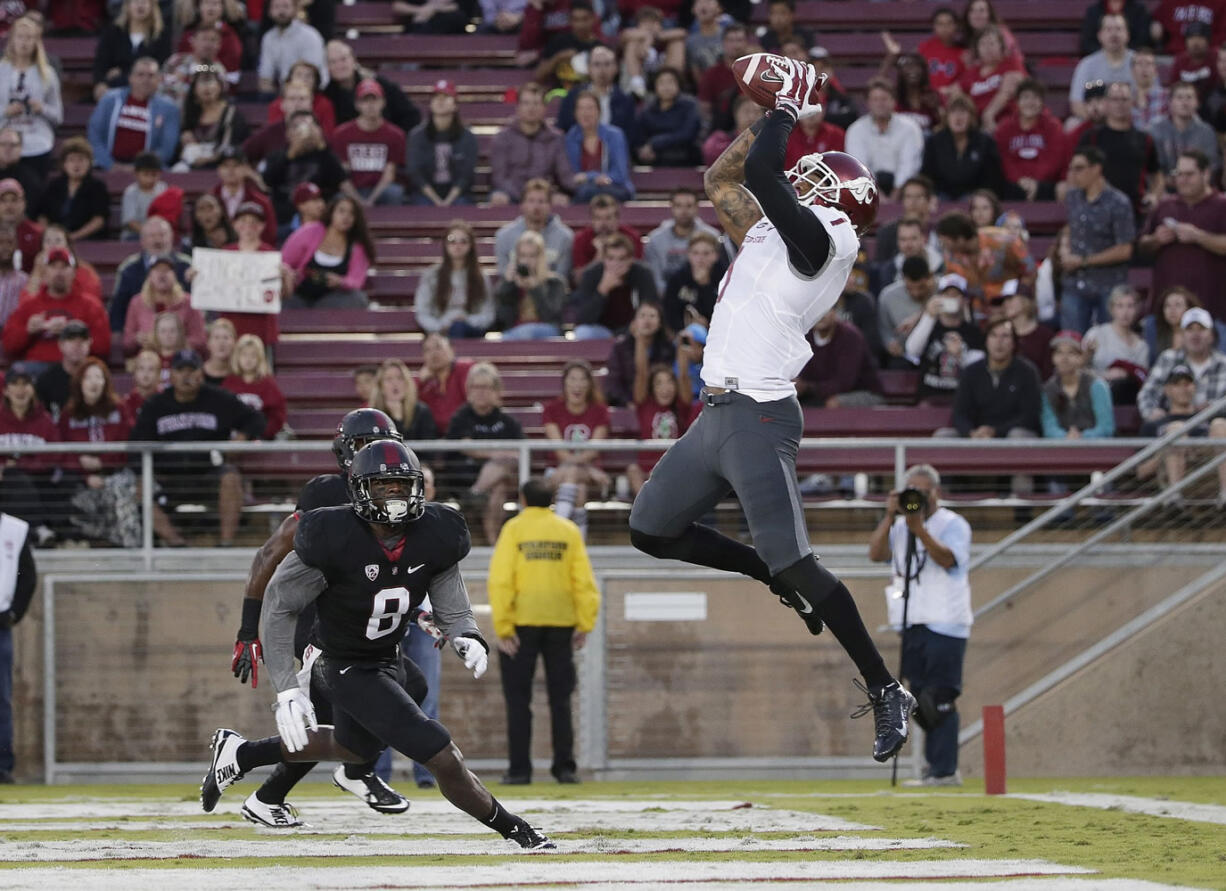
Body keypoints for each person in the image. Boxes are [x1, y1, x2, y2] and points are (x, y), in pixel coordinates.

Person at [628, 58, 917, 763]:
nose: (805, 183)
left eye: (820, 182)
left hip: (760, 414)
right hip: (715, 414)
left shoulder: (827, 242)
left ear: (843, 204)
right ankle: (768, 573)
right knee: (649, 527)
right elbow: (723, 181)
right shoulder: (773, 233)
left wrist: (788, 109)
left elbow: (761, 177)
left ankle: (886, 687)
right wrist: (772, 114)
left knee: (799, 559)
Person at [201, 440, 554, 849]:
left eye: (402, 486)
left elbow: (449, 595)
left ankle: (240, 754)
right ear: (359, 490)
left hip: (388, 655)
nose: (396, 496)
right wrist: (286, 687)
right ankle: (514, 829)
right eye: (384, 486)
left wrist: (466, 631)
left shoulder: (436, 533)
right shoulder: (330, 535)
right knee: (439, 752)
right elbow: (280, 609)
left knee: (351, 746)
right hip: (343, 663)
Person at [226, 408, 412, 826]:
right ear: (346, 454)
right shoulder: (326, 496)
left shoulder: (401, 496)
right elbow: (269, 555)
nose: (378, 458)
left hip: (360, 624)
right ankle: (348, 771)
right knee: (348, 713)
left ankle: (259, 777)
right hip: (317, 623)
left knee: (398, 692)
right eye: (365, 447)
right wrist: (246, 630)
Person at [488, 477, 599, 785]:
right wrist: (584, 623)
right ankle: (565, 768)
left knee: (518, 701)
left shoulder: (513, 530)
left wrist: (504, 627)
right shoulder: (568, 531)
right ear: (552, 500)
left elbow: (500, 580)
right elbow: (584, 583)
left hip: (520, 626)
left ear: (522, 500)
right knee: (560, 700)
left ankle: (519, 771)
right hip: (562, 624)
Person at [866, 464, 971, 787]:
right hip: (911, 622)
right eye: (911, 491)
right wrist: (890, 517)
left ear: (936, 493)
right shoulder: (899, 527)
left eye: (922, 492)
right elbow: (876, 554)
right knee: (917, 698)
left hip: (945, 622)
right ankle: (935, 767)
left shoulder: (953, 524)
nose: (917, 498)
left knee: (939, 698)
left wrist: (920, 529)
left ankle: (944, 771)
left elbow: (949, 559)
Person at [131, 348, 264, 546]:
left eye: (192, 370)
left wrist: (242, 437)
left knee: (230, 477)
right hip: (168, 476)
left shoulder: (218, 399)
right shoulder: (155, 405)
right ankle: (177, 543)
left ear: (201, 373)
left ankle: (225, 544)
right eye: (180, 370)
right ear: (172, 375)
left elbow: (256, 419)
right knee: (141, 487)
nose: (186, 375)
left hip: (208, 472)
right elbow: (136, 443)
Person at [57, 357, 140, 547]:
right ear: (80, 383)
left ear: (106, 382)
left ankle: (132, 549)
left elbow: (127, 444)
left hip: (117, 475)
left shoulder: (119, 409)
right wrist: (85, 474)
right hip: (82, 481)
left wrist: (103, 463)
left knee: (119, 490)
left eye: (98, 377)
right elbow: (61, 450)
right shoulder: (68, 414)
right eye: (88, 378)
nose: (94, 382)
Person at [1137, 149, 1226, 321]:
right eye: (1178, 174)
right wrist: (1156, 240)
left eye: (1189, 174)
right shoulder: (1164, 205)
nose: (1182, 180)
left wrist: (1199, 237)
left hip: (1213, 307)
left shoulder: (1222, 205)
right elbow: (1141, 246)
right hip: (1166, 313)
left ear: (1206, 174)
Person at [445, 362, 523, 545]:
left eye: (486, 387)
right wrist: (498, 453)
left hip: (498, 479)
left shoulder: (507, 421)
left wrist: (491, 454)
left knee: (500, 478)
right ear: (469, 390)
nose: (480, 392)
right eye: (476, 386)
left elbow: (520, 453)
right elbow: (466, 447)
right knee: (499, 478)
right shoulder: (461, 417)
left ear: (496, 391)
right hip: (463, 478)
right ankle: (494, 542)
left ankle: (476, 494)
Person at [940, 318, 1042, 453]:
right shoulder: (971, 371)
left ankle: (1020, 475)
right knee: (943, 436)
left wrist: (995, 432)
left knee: (1018, 435)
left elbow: (1030, 416)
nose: (999, 342)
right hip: (977, 435)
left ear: (1013, 343)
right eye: (993, 335)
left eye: (1005, 336)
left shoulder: (1027, 372)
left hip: (1010, 435)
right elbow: (959, 413)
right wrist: (971, 433)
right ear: (986, 341)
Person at [2, 247, 110, 366]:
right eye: (53, 267)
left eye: (64, 267)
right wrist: (28, 330)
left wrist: (75, 331)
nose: (59, 272)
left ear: (74, 272)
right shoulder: (29, 305)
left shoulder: (91, 305)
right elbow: (9, 345)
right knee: (19, 369)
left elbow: (103, 347)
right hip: (37, 369)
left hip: (76, 369)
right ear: (44, 273)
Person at [542, 359, 610, 536]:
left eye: (582, 379)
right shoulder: (551, 409)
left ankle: (557, 530)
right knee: (578, 488)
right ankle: (578, 541)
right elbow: (560, 452)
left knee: (571, 473)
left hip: (590, 473)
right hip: (557, 472)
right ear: (564, 383)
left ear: (589, 384)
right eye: (572, 379)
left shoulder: (600, 411)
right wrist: (584, 466)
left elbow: (593, 450)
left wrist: (584, 467)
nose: (577, 385)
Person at [1077, 80, 1163, 215]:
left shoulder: (1145, 139)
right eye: (1115, 99)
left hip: (1135, 211)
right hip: (1098, 211)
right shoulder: (1091, 138)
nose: (1120, 104)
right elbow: (1076, 173)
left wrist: (1154, 196)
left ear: (1132, 102)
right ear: (1106, 103)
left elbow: (1156, 175)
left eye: (1124, 99)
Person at [0, 362, 61, 542]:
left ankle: (30, 532)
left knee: (16, 475)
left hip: (37, 482)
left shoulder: (45, 421)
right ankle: (37, 528)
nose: (20, 390)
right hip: (4, 485)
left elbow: (55, 456)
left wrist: (19, 465)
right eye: (15, 384)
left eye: (25, 384)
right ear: (6, 390)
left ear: (32, 389)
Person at [87, 57, 180, 171]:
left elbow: (167, 149)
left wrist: (141, 167)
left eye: (151, 75)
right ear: (131, 78)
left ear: (159, 79)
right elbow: (94, 136)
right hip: (107, 166)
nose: (146, 80)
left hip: (149, 170)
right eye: (140, 75)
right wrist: (110, 165)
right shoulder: (109, 100)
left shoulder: (169, 108)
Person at [281, 195, 374, 309]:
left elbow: (356, 280)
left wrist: (340, 282)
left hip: (333, 300)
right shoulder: (309, 231)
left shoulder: (358, 247)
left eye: (352, 213)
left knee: (357, 298)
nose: (346, 217)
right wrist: (290, 274)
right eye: (341, 211)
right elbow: (284, 261)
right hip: (299, 294)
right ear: (331, 213)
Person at [905, 273, 985, 403]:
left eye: (955, 295)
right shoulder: (928, 326)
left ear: (965, 300)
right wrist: (928, 316)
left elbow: (980, 369)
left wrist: (961, 355)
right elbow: (912, 350)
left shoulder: (974, 333)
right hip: (929, 396)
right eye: (946, 295)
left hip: (961, 398)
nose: (950, 299)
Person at [488, 83, 573, 206]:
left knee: (561, 201)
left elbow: (564, 175)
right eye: (526, 103)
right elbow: (499, 178)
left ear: (544, 108)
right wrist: (526, 197)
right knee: (498, 198)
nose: (531, 108)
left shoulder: (556, 138)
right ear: (518, 107)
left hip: (544, 196)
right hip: (511, 194)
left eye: (536, 103)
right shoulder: (502, 138)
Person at [1138, 306, 1226, 424]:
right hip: (1174, 426)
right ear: (1182, 335)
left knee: (1219, 425)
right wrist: (1151, 412)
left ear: (1211, 335)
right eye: (1190, 329)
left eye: (1201, 329)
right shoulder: (1168, 358)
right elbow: (1147, 393)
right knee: (1175, 427)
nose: (1195, 335)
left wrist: (1213, 408)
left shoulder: (1223, 363)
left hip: (1212, 427)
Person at [328, 78, 407, 207]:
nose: (370, 105)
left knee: (395, 193)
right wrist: (358, 200)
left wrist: (371, 200)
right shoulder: (341, 134)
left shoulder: (396, 135)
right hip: (354, 189)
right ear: (357, 104)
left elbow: (389, 174)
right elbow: (342, 176)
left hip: (381, 189)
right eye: (365, 100)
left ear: (383, 103)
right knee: (339, 198)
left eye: (374, 100)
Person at [262, 112, 348, 229]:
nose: (303, 131)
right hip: (284, 216)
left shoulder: (325, 155)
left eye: (309, 126)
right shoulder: (277, 155)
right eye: (296, 126)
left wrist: (321, 147)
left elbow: (339, 179)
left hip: (319, 216)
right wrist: (291, 154)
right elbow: (267, 181)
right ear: (288, 133)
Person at [0, 14, 62, 177]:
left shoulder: (47, 74)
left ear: (37, 42)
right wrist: (5, 111)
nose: (24, 42)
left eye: (29, 37)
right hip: (4, 145)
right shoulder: (1, 71)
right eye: (20, 37)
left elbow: (58, 116)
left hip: (37, 144)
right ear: (12, 40)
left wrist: (42, 109)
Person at [109, 216, 191, 333]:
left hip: (182, 335)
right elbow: (118, 310)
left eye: (162, 235)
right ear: (142, 240)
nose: (157, 241)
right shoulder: (128, 268)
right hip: (141, 338)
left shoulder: (187, 265)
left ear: (172, 237)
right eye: (152, 236)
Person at [0, 507, 35, 784]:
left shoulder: (15, 528)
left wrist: (14, 614)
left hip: (0, 624)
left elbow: (28, 576)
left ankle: (3, 765)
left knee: (1, 698)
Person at [844, 79, 923, 198]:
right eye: (875, 99)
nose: (880, 104)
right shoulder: (856, 129)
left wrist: (896, 193)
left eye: (884, 99)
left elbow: (909, 164)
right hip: (868, 190)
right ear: (868, 103)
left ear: (893, 101)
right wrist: (877, 195)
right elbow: (859, 166)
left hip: (904, 190)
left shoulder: (910, 127)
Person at [323, 40, 421, 136]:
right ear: (326, 66)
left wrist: (395, 140)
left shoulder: (380, 84)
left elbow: (411, 116)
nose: (339, 65)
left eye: (343, 59)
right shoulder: (325, 95)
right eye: (333, 62)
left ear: (354, 59)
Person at [569, 233, 658, 340]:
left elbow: (650, 310)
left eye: (621, 259)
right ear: (604, 259)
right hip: (602, 330)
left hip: (633, 329)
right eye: (610, 258)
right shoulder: (591, 274)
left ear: (631, 259)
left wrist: (624, 332)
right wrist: (602, 290)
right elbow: (582, 318)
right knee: (583, 332)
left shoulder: (643, 274)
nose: (616, 264)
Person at [414, 221, 494, 338]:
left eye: (463, 241)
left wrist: (467, 320)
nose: (458, 245)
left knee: (458, 328)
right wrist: (441, 326)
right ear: (445, 245)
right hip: (439, 332)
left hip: (472, 331)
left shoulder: (481, 277)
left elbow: (488, 314)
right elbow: (422, 312)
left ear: (471, 245)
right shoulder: (432, 275)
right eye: (452, 241)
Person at [405, 80, 477, 208]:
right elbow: (415, 174)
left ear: (455, 105)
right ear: (430, 104)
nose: (440, 101)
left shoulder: (467, 137)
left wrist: (448, 201)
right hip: (425, 195)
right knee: (421, 206)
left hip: (458, 195)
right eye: (436, 97)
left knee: (462, 204)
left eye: (446, 97)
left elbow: (466, 175)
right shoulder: (417, 136)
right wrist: (437, 201)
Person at [920, 94, 1005, 200]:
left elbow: (993, 178)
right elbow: (926, 175)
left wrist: (981, 196)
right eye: (953, 112)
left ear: (971, 117)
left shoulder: (985, 142)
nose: (958, 117)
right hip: (941, 197)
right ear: (947, 117)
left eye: (963, 112)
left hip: (975, 197)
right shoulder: (934, 142)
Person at [625, 362, 692, 497]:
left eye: (669, 382)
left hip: (672, 469)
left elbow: (684, 376)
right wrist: (641, 342)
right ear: (652, 388)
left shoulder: (681, 406)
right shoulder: (645, 406)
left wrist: (682, 352)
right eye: (659, 383)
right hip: (647, 470)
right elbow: (641, 373)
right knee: (633, 470)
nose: (665, 388)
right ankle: (646, 512)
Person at [796, 307, 883, 408]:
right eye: (814, 311)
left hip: (863, 392)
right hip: (818, 392)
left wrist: (807, 387)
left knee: (834, 403)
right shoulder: (805, 337)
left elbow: (844, 383)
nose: (820, 315)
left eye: (826, 310)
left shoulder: (850, 336)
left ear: (835, 313)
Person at [122, 254, 206, 358]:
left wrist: (175, 342)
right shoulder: (137, 303)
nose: (162, 274)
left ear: (174, 275)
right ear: (149, 275)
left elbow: (200, 340)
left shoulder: (188, 302)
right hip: (148, 362)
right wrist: (136, 339)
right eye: (157, 270)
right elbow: (126, 343)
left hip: (180, 360)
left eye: (167, 270)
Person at [995, 79, 1066, 202]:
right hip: (1013, 182)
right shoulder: (1004, 128)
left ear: (1042, 102)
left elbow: (1054, 160)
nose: (1030, 102)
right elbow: (1004, 160)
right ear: (1017, 102)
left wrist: (1035, 182)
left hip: (1044, 182)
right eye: (1025, 97)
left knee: (1062, 188)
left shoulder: (1053, 126)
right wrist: (1019, 180)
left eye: (1035, 98)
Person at [493, 179, 574, 282]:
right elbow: (504, 277)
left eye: (541, 201)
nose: (536, 207)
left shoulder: (565, 237)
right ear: (522, 205)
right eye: (531, 201)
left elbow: (561, 279)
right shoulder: (503, 236)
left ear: (550, 205)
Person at [1040, 331, 1116, 440]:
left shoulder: (1097, 385)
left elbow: (1106, 427)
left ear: (1081, 357)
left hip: (1097, 447)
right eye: (1059, 353)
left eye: (1071, 353)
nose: (1064, 358)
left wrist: (1082, 437)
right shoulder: (1048, 390)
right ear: (1053, 358)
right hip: (1060, 449)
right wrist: (1066, 437)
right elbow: (1049, 428)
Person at [555, 44, 638, 144]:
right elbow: (562, 128)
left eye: (607, 64)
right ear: (589, 68)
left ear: (616, 68)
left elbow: (629, 137)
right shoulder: (573, 96)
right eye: (596, 64)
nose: (602, 70)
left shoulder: (625, 101)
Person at [643, 188, 719, 293]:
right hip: (665, 297)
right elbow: (655, 279)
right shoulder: (656, 239)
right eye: (678, 206)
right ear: (672, 208)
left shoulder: (712, 236)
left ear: (697, 208)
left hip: (704, 294)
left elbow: (718, 275)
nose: (684, 211)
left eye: (689, 206)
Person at [175, 63, 249, 170]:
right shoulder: (190, 113)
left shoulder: (231, 113)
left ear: (220, 86)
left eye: (210, 81)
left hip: (222, 165)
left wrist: (209, 159)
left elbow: (230, 146)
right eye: (202, 82)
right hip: (192, 163)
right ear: (194, 89)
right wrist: (184, 139)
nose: (207, 87)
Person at [93, 0, 172, 101]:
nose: (140, 5)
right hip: (114, 88)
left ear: (152, 6)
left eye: (144, 2)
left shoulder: (161, 35)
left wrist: (122, 72)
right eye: (136, 1)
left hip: (148, 90)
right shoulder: (113, 32)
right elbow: (101, 62)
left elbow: (162, 66)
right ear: (127, 5)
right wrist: (100, 83)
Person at [34, 137, 109, 242]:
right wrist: (51, 236)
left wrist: (73, 237)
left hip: (88, 241)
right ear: (64, 164)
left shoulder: (97, 187)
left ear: (89, 162)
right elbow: (42, 215)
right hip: (55, 241)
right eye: (72, 160)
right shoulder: (53, 186)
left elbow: (99, 220)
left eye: (81, 159)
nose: (76, 164)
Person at [1084, 285, 1150, 404]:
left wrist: (1126, 374)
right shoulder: (1096, 334)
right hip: (1095, 395)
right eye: (1120, 306)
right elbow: (1080, 369)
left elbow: (1142, 378)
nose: (1125, 312)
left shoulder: (1142, 346)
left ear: (1137, 309)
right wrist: (1104, 375)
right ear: (1112, 309)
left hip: (1128, 397)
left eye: (1130, 306)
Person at [565, 91, 634, 203]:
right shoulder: (570, 138)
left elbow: (620, 174)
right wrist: (592, 179)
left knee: (585, 193)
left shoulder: (615, 135)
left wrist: (591, 177)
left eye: (590, 108)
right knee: (583, 192)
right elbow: (574, 176)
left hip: (614, 187)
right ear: (575, 113)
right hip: (583, 189)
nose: (585, 113)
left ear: (599, 111)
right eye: (581, 108)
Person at [953, 25, 1024, 133]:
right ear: (977, 49)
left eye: (992, 43)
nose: (987, 48)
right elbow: (956, 92)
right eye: (983, 44)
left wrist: (989, 114)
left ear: (1001, 46)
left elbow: (1006, 92)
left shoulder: (1011, 64)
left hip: (1006, 121)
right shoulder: (972, 72)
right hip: (976, 124)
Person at [1149, 82, 1221, 183]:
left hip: (1198, 189)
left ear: (1197, 103)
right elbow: (1154, 168)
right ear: (1170, 102)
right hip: (1164, 189)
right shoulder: (1156, 130)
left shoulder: (1207, 132)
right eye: (1179, 97)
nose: (1184, 102)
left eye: (1189, 97)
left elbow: (1211, 167)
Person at [1070, 14, 1135, 122]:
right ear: (1100, 35)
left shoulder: (1140, 62)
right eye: (1108, 29)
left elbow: (1150, 97)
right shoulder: (1087, 64)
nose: (1114, 34)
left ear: (1127, 34)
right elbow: (1076, 103)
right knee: (1072, 124)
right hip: (1096, 122)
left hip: (1132, 122)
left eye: (1118, 29)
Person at [222, 334, 287, 440]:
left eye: (253, 355)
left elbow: (277, 414)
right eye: (244, 355)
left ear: (260, 358)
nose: (248, 359)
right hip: (233, 439)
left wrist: (264, 432)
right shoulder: (229, 382)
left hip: (261, 440)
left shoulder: (268, 384)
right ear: (237, 357)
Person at [633, 67, 700, 167]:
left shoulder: (690, 105)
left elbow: (687, 134)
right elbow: (639, 137)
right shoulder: (647, 110)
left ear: (678, 84)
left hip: (685, 157)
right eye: (661, 83)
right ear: (655, 86)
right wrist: (643, 151)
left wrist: (655, 142)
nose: (666, 87)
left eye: (670, 82)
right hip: (655, 159)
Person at [258, 0, 327, 96]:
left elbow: (311, 76)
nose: (281, 11)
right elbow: (265, 75)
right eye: (276, 7)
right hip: (286, 94)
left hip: (313, 93)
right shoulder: (268, 38)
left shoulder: (310, 36)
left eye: (286, 6)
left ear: (295, 9)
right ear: (269, 11)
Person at [660, 231, 725, 334]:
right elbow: (669, 313)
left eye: (706, 253)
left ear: (716, 255)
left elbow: (725, 314)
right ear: (688, 255)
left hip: (718, 334)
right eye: (695, 253)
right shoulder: (678, 279)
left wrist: (705, 285)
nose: (700, 259)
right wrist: (688, 324)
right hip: (682, 333)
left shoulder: (725, 278)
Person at [879, 256, 935, 370]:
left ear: (929, 278)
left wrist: (919, 315)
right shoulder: (887, 297)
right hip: (902, 354)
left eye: (921, 287)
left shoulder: (940, 290)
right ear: (903, 279)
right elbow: (884, 329)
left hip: (933, 350)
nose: (916, 293)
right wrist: (890, 343)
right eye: (910, 288)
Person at [212, 147, 277, 246]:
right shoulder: (209, 200)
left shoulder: (261, 202)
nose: (230, 170)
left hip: (252, 256)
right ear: (218, 170)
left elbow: (270, 237)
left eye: (236, 165)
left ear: (246, 169)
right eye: (225, 166)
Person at [571, 194, 642, 283]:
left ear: (617, 218)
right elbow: (579, 280)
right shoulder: (581, 239)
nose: (603, 223)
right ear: (592, 220)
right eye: (598, 218)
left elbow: (639, 275)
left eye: (608, 218)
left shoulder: (631, 237)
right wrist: (599, 255)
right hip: (592, 291)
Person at [33, 319, 93, 421]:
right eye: (71, 339)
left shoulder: (98, 377)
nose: (77, 345)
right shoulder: (46, 379)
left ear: (90, 343)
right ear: (60, 344)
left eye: (82, 340)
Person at [696, 23, 748, 133]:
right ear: (723, 43)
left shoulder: (756, 72)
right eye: (731, 41)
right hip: (723, 129)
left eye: (739, 40)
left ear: (746, 43)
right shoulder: (711, 74)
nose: (736, 45)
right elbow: (705, 109)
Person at [370, 359, 439, 441]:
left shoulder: (422, 411)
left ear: (407, 383)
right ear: (381, 387)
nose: (395, 383)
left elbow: (428, 451)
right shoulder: (373, 414)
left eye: (400, 378)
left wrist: (398, 419)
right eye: (389, 379)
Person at [267, 61, 336, 138]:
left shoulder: (325, 104)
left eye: (308, 76)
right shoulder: (276, 105)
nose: (304, 79)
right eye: (299, 75)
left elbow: (328, 136)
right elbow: (272, 135)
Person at [1000, 285, 1054, 381]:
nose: (1005, 304)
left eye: (1010, 299)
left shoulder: (1046, 335)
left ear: (1025, 300)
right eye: (1004, 300)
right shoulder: (999, 334)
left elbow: (1049, 374)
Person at [176, 0, 245, 73]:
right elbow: (182, 61)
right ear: (199, 7)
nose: (211, 8)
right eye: (206, 3)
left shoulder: (229, 35)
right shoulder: (188, 34)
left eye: (215, 4)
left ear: (222, 7)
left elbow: (231, 65)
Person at [1168, 21, 1217, 108]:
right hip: (1185, 105)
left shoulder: (1215, 58)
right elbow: (1173, 88)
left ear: (1208, 40)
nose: (1195, 42)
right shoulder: (1180, 61)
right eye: (1191, 38)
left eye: (1200, 37)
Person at [121, 153, 167, 240]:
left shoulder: (163, 189)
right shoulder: (130, 193)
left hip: (160, 234)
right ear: (136, 174)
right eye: (146, 174)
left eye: (154, 175)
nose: (150, 179)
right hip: (135, 235)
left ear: (160, 174)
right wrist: (151, 234)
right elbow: (131, 222)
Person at [0, 177, 39, 274]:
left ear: (23, 203)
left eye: (14, 200)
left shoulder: (38, 233)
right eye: (3, 201)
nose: (9, 205)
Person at [0, 129, 40, 209]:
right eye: (3, 144)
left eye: (13, 145)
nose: (8, 149)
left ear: (21, 148)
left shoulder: (31, 178)